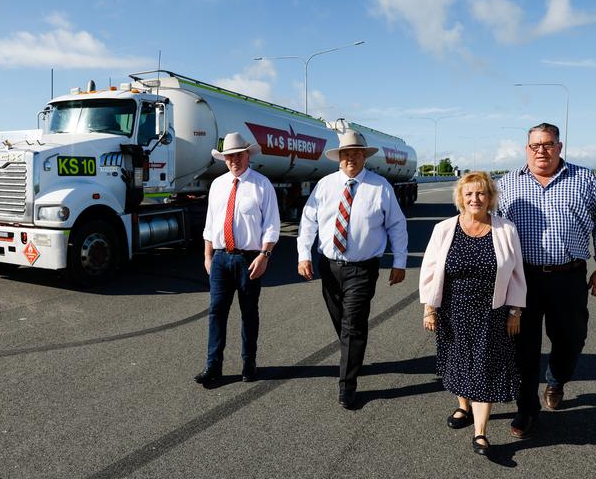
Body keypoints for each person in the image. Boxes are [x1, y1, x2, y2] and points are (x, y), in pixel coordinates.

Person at [498, 122, 596, 438]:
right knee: (524, 346)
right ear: (526, 149)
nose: (541, 151)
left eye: (548, 144)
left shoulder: (583, 178)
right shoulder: (509, 183)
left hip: (569, 277)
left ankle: (557, 379)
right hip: (524, 279)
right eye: (535, 145)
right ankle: (526, 410)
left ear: (559, 147)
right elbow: (491, 229)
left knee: (571, 339)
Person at [297, 129, 408, 409]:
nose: (351, 159)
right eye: (347, 154)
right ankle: (353, 356)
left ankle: (347, 385)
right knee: (341, 321)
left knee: (352, 324)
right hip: (330, 266)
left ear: (364, 157)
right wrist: (303, 256)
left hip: (363, 268)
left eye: (357, 153)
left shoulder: (380, 186)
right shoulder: (324, 186)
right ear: (339, 157)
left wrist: (400, 262)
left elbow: (397, 225)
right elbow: (308, 221)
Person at [419, 171, 526, 455]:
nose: (475, 199)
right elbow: (430, 270)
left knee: (484, 367)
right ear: (461, 198)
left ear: (490, 197)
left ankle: (480, 433)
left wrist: (515, 311)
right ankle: (462, 406)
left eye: (481, 193)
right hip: (452, 310)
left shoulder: (505, 230)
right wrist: (429, 308)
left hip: (492, 311)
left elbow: (515, 273)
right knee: (458, 360)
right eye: (469, 194)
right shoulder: (444, 229)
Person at [194, 132, 281, 386]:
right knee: (216, 313)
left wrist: (264, 255)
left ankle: (248, 362)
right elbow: (211, 223)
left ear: (247, 155)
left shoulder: (262, 185)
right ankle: (213, 366)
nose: (234, 161)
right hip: (221, 258)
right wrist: (208, 255)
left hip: (249, 259)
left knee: (248, 313)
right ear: (225, 159)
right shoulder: (218, 185)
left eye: (238, 156)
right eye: (229, 157)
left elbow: (272, 225)